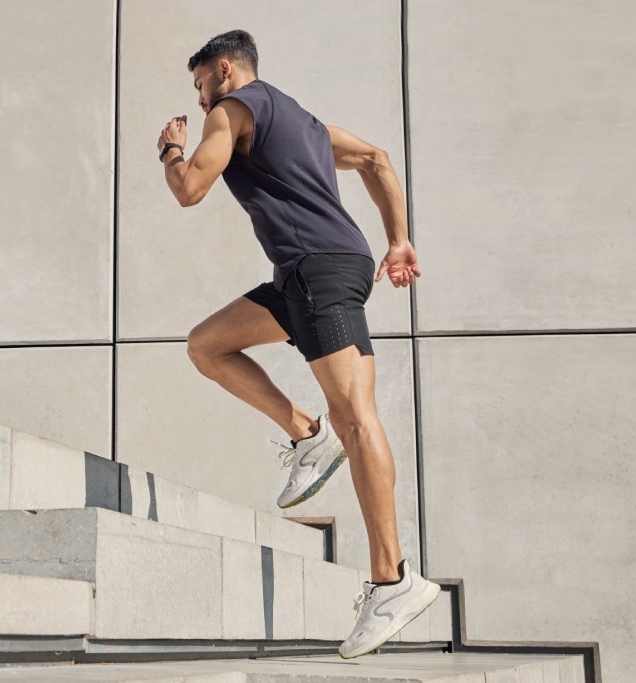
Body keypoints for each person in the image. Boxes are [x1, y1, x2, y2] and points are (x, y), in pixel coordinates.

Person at [157, 29, 439, 658]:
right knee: (207, 345)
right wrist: (397, 238)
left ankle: (393, 580)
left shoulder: (234, 111)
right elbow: (376, 159)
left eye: (200, 86)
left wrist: (172, 151)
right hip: (307, 274)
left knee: (359, 420)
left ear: (223, 71)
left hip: (317, 272)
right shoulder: (304, 121)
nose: (201, 103)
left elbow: (189, 189)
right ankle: (308, 434)